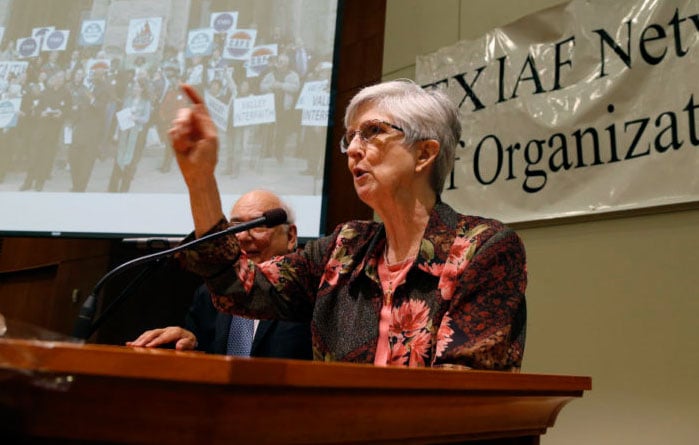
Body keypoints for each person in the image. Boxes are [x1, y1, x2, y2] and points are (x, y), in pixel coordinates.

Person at [168, 79, 527, 370]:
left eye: (372, 132)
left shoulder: (484, 248)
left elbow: (464, 392)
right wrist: (200, 179)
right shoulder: (345, 247)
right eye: (351, 137)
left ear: (424, 153)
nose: (354, 148)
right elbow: (241, 288)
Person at [127, 190, 312, 360]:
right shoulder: (210, 294)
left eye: (259, 226)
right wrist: (191, 343)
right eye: (236, 227)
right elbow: (206, 359)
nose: (243, 237)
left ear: (291, 237)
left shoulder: (310, 291)